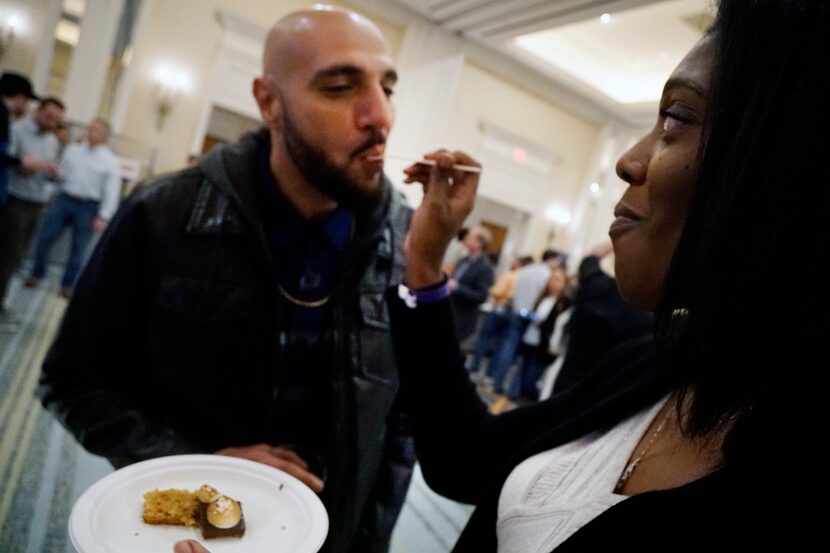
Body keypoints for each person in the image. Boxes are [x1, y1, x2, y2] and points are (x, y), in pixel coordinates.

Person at [383, 1, 822, 550]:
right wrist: (425, 261)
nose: (628, 161)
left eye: (677, 118)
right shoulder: (656, 364)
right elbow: (462, 457)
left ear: (785, 164)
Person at [38, 8, 414, 553]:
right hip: (190, 534)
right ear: (268, 102)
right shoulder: (165, 213)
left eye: (387, 87)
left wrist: (368, 540)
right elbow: (72, 381)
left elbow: (401, 425)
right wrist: (190, 465)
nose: (380, 115)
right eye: (339, 87)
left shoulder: (404, 242)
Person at [24, 119, 122, 299]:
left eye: (95, 130)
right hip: (64, 199)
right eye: (89, 128)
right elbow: (60, 175)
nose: (90, 132)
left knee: (79, 249)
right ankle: (37, 273)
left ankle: (68, 284)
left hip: (88, 206)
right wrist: (48, 193)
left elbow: (112, 191)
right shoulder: (73, 151)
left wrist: (104, 216)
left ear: (105, 136)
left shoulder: (110, 162)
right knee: (45, 237)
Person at [549, 242, 652, 395]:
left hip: (567, 387)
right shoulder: (651, 315)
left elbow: (590, 260)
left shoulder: (598, 287)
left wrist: (618, 241)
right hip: (606, 398)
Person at [0, 96, 63, 325]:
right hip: (15, 200)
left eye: (56, 119)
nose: (52, 121)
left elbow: (45, 171)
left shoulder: (52, 142)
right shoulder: (16, 130)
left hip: (36, 204)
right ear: (38, 112)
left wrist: (51, 172)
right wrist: (28, 166)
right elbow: (9, 163)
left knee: (17, 257)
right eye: (48, 115)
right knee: (7, 256)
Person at [448, 225, 495, 342]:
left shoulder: (485, 267)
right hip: (449, 312)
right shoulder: (464, 259)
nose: (466, 238)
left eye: (470, 237)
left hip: (461, 319)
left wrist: (457, 287)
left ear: (479, 243)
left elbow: (482, 296)